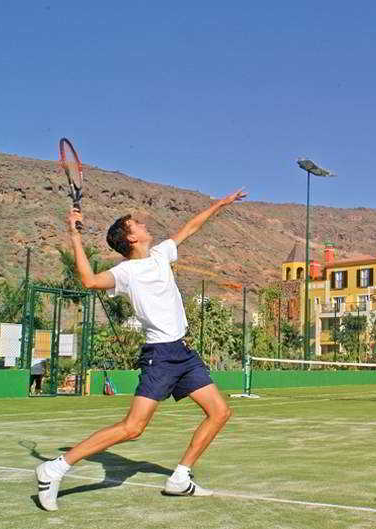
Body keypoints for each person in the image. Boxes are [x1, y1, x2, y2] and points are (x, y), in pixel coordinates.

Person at [35, 188, 246, 511]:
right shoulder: (125, 273)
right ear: (131, 238)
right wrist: (74, 235)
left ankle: (180, 477)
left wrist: (220, 203)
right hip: (160, 356)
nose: (144, 224)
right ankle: (55, 468)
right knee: (133, 428)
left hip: (184, 353)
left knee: (220, 412)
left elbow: (191, 227)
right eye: (136, 224)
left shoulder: (161, 254)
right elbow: (89, 281)